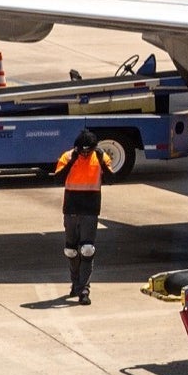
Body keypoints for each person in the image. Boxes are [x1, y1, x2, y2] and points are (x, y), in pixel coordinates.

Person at [51, 128, 112, 305]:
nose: (85, 154)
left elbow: (111, 179)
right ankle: (75, 282)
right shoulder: (68, 157)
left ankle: (84, 289)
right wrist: (72, 161)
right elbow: (57, 179)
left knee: (87, 249)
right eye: (82, 150)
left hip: (90, 209)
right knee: (71, 250)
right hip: (71, 208)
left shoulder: (100, 157)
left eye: (89, 151)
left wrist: (101, 161)